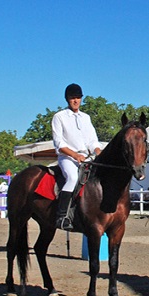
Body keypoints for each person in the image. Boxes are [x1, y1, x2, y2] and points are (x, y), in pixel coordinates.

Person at [52, 83, 101, 230]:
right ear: (67, 99)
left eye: (78, 98)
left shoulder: (86, 117)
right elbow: (58, 142)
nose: (76, 101)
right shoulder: (59, 117)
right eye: (73, 98)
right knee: (73, 178)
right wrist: (74, 155)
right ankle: (62, 216)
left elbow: (92, 140)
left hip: (87, 157)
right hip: (67, 158)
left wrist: (98, 151)